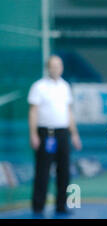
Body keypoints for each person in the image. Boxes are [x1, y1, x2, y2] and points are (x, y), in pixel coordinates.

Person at [28, 55, 82, 215]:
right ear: (48, 68)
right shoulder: (38, 87)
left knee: (64, 171)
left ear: (62, 68)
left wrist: (74, 134)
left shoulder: (65, 87)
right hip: (46, 134)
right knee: (42, 171)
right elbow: (33, 112)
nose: (56, 68)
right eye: (53, 65)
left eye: (59, 65)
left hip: (63, 134)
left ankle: (61, 205)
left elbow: (69, 112)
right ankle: (38, 206)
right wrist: (33, 134)